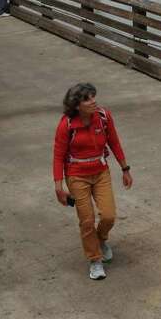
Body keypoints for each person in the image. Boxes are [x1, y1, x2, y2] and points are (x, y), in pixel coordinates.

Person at [53, 83, 133, 280]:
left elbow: (114, 142)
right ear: (77, 105)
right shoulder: (67, 124)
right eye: (87, 99)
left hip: (100, 172)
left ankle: (100, 239)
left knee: (108, 215)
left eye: (93, 96)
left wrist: (125, 169)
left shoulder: (104, 117)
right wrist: (59, 186)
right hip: (76, 175)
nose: (93, 101)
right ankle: (95, 260)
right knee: (87, 220)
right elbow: (58, 155)